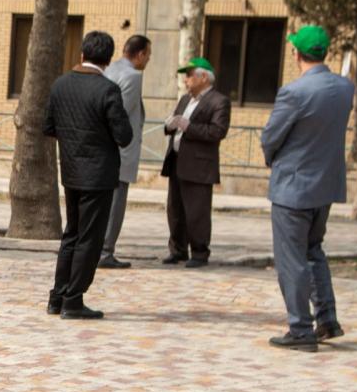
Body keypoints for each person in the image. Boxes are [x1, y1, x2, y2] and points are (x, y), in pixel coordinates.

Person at [260, 26, 355, 353]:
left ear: (296, 53)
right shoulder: (345, 88)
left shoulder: (294, 92)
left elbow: (271, 136)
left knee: (292, 260)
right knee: (313, 251)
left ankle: (300, 328)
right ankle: (327, 318)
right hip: (325, 185)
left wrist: (272, 159)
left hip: (293, 186)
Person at [43, 30, 134, 320]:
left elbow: (48, 127)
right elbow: (124, 136)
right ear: (108, 59)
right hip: (98, 175)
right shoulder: (108, 90)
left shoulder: (60, 85)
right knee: (89, 239)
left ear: (82, 54)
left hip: (71, 170)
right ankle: (73, 300)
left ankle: (57, 297)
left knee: (71, 234)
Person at [160, 57, 231, 268]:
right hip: (176, 160)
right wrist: (170, 125)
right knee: (175, 210)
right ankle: (177, 250)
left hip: (199, 165)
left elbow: (217, 131)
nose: (186, 80)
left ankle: (199, 252)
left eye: (189, 75)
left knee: (196, 212)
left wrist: (188, 126)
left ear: (203, 77)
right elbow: (175, 123)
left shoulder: (219, 101)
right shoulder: (185, 99)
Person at [99, 35, 151, 269]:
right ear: (140, 54)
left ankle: (100, 249)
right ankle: (105, 251)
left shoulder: (110, 70)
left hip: (105, 151)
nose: (148, 60)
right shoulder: (132, 76)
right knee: (115, 204)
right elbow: (119, 115)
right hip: (121, 152)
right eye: (148, 55)